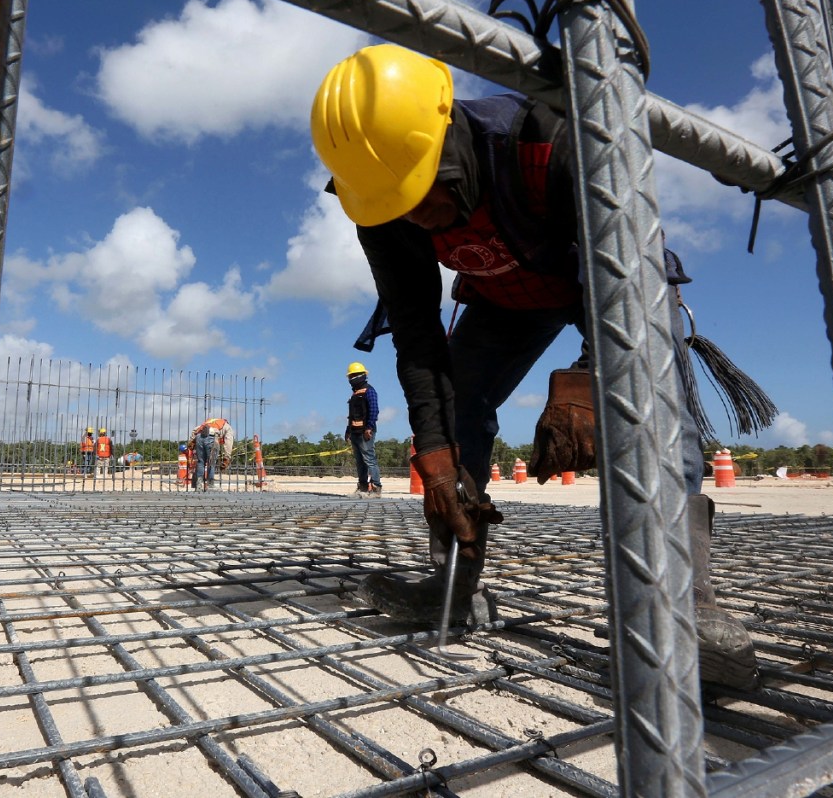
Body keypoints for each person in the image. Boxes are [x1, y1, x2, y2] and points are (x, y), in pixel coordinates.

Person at [311, 44, 757, 689]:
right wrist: (436, 455)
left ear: (447, 134)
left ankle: (689, 609)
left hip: (610, 283)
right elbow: (416, 332)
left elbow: (625, 279)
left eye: (424, 189)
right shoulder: (379, 202)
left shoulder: (549, 142)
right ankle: (453, 584)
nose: (415, 213)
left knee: (660, 410)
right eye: (395, 202)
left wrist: (589, 375)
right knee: (457, 407)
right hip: (504, 297)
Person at [344, 361, 383, 498]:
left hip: (365, 432)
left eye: (352, 376)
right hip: (355, 432)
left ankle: (376, 487)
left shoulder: (369, 391)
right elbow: (352, 415)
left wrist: (369, 427)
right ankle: (363, 487)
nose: (350, 379)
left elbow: (374, 410)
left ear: (360, 376)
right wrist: (348, 430)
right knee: (360, 461)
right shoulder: (354, 394)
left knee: (369, 459)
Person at [188, 417, 234, 491]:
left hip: (199, 437)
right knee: (211, 462)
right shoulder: (227, 427)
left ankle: (199, 485)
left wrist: (192, 440)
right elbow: (228, 441)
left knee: (201, 462)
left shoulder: (210, 421)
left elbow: (195, 429)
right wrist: (227, 456)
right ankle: (210, 484)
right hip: (211, 438)